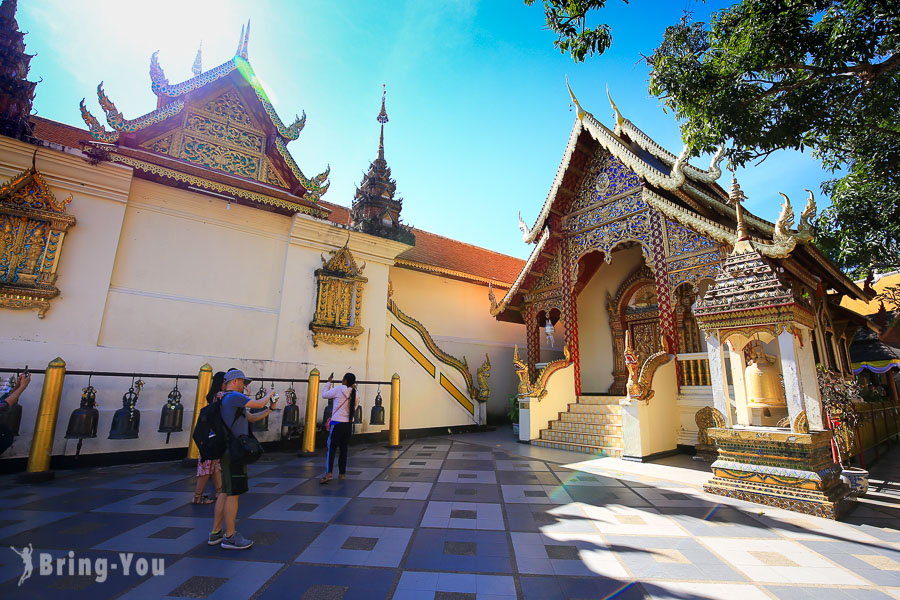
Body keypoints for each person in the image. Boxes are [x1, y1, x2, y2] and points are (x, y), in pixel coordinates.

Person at [209, 369, 277, 550]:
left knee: (225, 491)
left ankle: (216, 533)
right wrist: (269, 394)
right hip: (234, 453)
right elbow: (257, 403)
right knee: (233, 494)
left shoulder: (228, 399)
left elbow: (252, 417)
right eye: (243, 382)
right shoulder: (233, 397)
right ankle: (230, 536)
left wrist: (270, 408)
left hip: (228, 450)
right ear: (236, 381)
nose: (245, 386)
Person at [193, 371, 225, 505]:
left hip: (209, 434)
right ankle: (198, 496)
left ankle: (220, 491)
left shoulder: (212, 396)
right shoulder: (220, 396)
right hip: (213, 435)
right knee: (208, 466)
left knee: (215, 465)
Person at [319, 372, 356, 484]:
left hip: (337, 423)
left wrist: (328, 383)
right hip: (348, 425)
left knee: (332, 449)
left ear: (345, 380)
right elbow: (354, 408)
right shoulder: (355, 393)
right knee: (344, 450)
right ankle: (342, 474)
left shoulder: (339, 389)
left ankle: (329, 473)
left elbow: (324, 395)